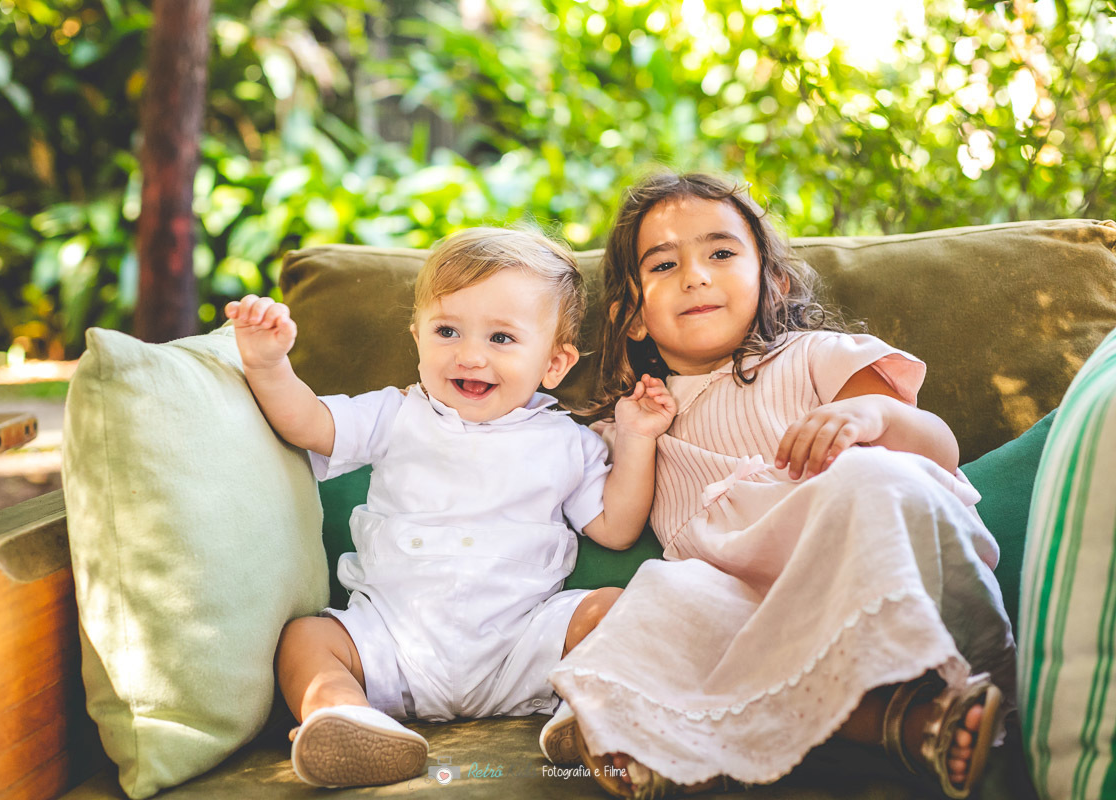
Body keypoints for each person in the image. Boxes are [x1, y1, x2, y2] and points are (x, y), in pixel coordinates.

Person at [544, 173, 1016, 800]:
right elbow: (616, 523)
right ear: (631, 315)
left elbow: (936, 449)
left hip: (867, 568)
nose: (695, 276)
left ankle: (697, 731)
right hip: (747, 611)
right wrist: (637, 436)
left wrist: (869, 417)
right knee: (652, 600)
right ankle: (910, 723)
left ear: (774, 281)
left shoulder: (815, 356)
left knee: (874, 472)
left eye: (720, 253)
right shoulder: (633, 422)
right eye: (663, 265)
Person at [224, 227, 677, 789]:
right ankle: (342, 714)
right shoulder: (395, 415)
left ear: (555, 364)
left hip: (522, 647)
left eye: (502, 339)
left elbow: (615, 527)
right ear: (417, 339)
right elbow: (310, 424)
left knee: (611, 608)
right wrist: (269, 366)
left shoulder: (567, 442)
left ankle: (588, 718)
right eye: (447, 331)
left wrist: (637, 440)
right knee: (305, 639)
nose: (469, 355)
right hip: (390, 641)